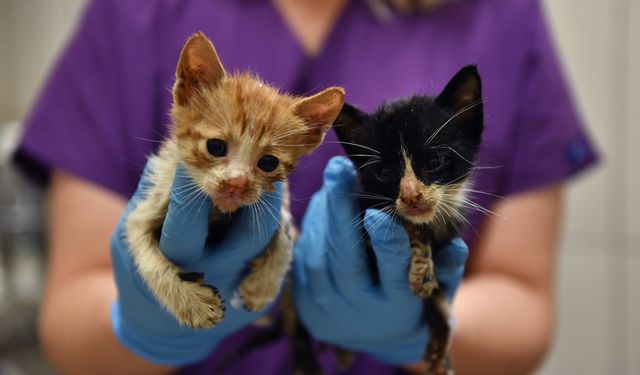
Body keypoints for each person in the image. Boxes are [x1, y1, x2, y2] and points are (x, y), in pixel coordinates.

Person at [14, 0, 598, 374]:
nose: (239, 178)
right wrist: (146, 326)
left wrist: (415, 329)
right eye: (219, 150)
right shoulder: (132, 14)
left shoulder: (498, 15)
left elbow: (524, 306)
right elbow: (67, 322)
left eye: (265, 164)